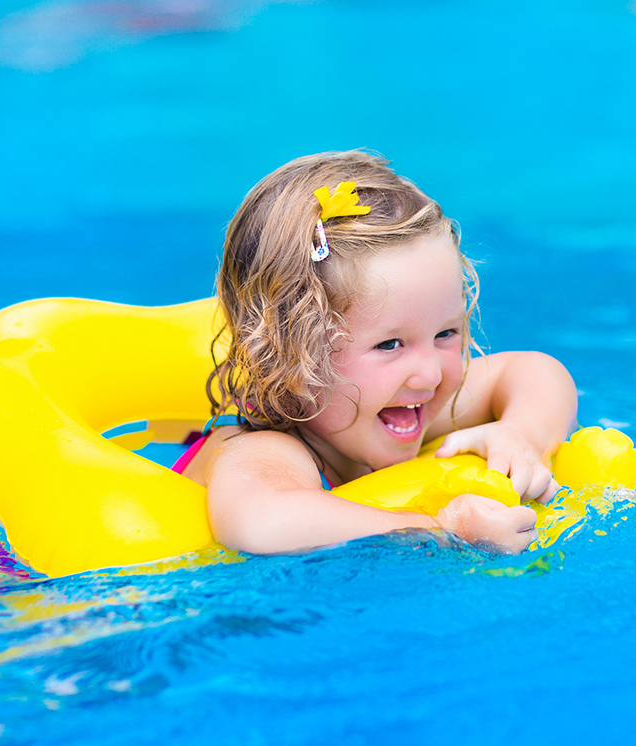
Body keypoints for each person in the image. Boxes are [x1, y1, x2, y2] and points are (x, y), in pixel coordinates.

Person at [173, 151, 577, 555]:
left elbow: (535, 371)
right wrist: (443, 527)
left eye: (446, 333)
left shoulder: (401, 403)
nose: (430, 375)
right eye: (389, 345)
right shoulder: (265, 448)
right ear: (292, 359)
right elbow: (260, 524)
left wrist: (522, 434)